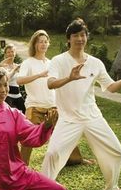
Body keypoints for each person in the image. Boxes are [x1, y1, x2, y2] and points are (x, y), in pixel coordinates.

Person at [41, 19, 121, 190]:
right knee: (52, 153)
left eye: (83, 35)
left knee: (117, 151)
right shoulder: (58, 61)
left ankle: (111, 188)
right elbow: (51, 84)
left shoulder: (96, 63)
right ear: (68, 39)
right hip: (69, 119)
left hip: (92, 116)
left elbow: (111, 87)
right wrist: (69, 77)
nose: (80, 39)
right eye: (75, 35)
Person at [16, 30, 92, 166]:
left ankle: (75, 159)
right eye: (40, 41)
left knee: (66, 134)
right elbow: (19, 80)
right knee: (29, 137)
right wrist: (39, 75)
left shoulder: (52, 63)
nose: (43, 44)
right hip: (35, 107)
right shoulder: (28, 62)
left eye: (45, 41)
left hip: (53, 106)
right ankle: (21, 166)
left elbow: (59, 82)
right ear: (35, 44)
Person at [2, 43, 25, 113]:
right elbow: (6, 79)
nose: (10, 54)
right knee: (10, 115)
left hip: (18, 94)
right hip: (8, 95)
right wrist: (14, 70)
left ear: (15, 53)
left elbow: (21, 83)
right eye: (8, 52)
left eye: (12, 52)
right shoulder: (3, 66)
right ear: (5, 54)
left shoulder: (18, 66)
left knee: (24, 113)